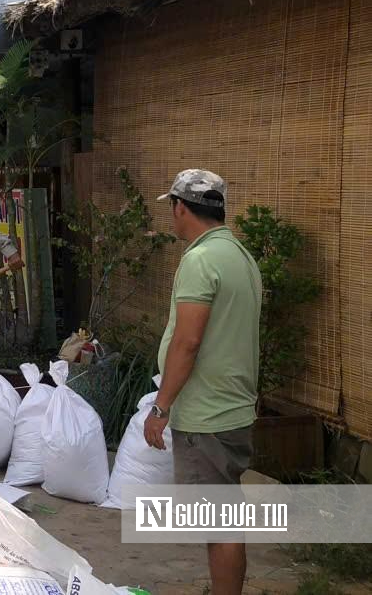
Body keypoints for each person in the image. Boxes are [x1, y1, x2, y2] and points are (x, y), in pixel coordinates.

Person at [145, 170, 262, 595]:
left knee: (220, 524)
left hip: (207, 416)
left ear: (181, 207)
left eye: (172, 208)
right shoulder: (240, 257)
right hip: (233, 409)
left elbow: (188, 342)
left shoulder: (200, 260)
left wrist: (161, 407)